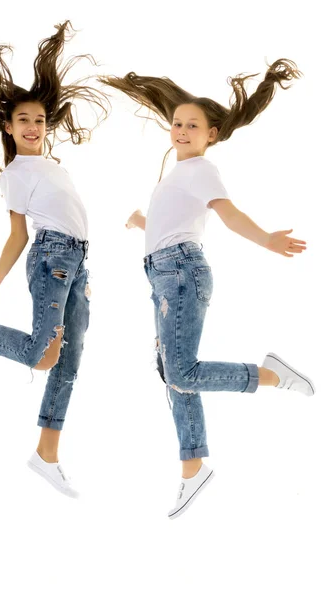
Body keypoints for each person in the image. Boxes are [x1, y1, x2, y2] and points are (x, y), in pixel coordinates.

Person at [99, 60, 315, 519]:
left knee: (181, 372)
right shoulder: (176, 175)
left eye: (192, 125)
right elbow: (173, 222)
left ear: (211, 134)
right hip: (162, 273)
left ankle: (270, 375)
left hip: (181, 273)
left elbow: (228, 214)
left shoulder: (201, 169)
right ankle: (193, 466)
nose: (181, 129)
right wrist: (143, 221)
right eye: (177, 123)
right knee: (172, 373)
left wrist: (268, 239)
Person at [0, 21, 109, 498]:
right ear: (9, 127)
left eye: (38, 120)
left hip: (76, 264)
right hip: (51, 259)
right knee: (42, 355)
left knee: (67, 361)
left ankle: (46, 455)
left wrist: (82, 273)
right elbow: (18, 232)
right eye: (23, 121)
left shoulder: (51, 165)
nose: (33, 127)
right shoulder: (16, 173)